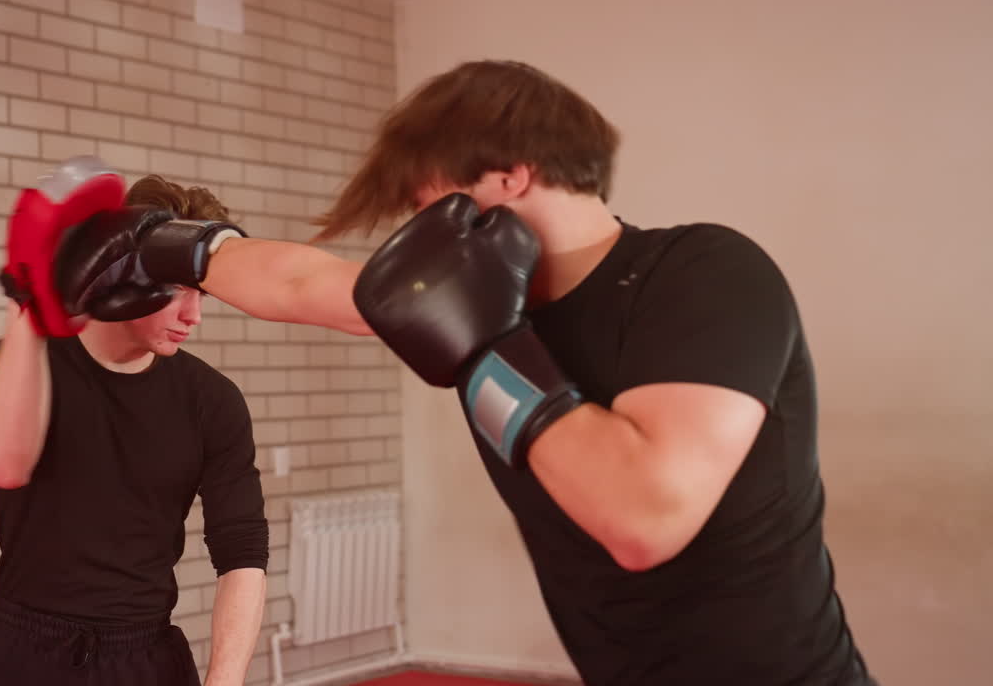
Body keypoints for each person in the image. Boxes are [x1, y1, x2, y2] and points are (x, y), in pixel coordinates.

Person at [115, 60, 875, 685]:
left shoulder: (706, 274)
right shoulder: (477, 300)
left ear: (511, 175)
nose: (418, 227)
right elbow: (295, 285)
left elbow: (645, 518)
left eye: (427, 196)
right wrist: (171, 246)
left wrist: (489, 346)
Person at [0, 162, 268, 686]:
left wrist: (225, 681)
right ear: (125, 271)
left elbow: (242, 554)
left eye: (203, 293)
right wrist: (32, 297)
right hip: (22, 651)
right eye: (176, 289)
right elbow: (3, 461)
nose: (194, 315)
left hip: (144, 658)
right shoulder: (11, 365)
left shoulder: (213, 402)